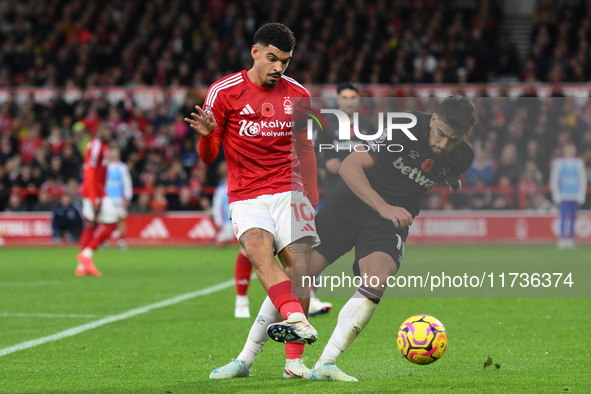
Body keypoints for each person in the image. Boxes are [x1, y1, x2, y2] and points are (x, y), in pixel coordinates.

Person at [306, 94, 477, 381]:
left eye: (454, 140)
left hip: (389, 221)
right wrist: (383, 207)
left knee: (377, 280)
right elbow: (349, 166)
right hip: (352, 203)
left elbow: (452, 172)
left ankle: (326, 362)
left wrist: (454, 181)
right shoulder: (402, 128)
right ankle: (246, 358)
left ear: (466, 135)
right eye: (441, 135)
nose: (443, 145)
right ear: (434, 119)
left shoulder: (462, 156)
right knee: (298, 274)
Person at [184, 23, 320, 379]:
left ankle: (292, 363)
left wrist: (314, 198)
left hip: (289, 189)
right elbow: (208, 156)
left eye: (286, 62)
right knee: (261, 254)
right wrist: (207, 136)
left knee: (302, 269)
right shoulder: (224, 92)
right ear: (255, 52)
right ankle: (295, 318)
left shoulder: (298, 95)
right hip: (246, 194)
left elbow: (305, 148)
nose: (279, 68)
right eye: (272, 59)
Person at [315, 82, 375, 201]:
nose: (349, 102)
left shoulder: (368, 125)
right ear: (338, 99)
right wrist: (325, 164)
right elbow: (311, 152)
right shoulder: (325, 124)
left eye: (353, 98)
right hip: (335, 186)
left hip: (362, 186)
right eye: (345, 98)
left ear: (358, 99)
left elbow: (375, 153)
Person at [211, 160, 254, 318]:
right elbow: (217, 208)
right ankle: (241, 301)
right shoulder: (222, 189)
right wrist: (219, 224)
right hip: (232, 221)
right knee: (249, 249)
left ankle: (306, 297)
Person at [76, 124, 113, 276]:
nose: (108, 133)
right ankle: (86, 255)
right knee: (112, 222)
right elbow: (90, 171)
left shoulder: (101, 146)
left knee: (91, 225)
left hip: (96, 191)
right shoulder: (96, 146)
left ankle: (82, 266)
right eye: (105, 130)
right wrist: (93, 197)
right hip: (94, 192)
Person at [550, 143, 587, 249]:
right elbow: (554, 179)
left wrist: (581, 195)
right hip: (563, 196)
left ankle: (570, 238)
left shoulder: (579, 163)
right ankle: (562, 238)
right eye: (568, 149)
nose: (570, 152)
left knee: (573, 218)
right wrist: (556, 195)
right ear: (564, 151)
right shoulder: (559, 163)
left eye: (572, 149)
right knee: (563, 217)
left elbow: (582, 180)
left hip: (575, 196)